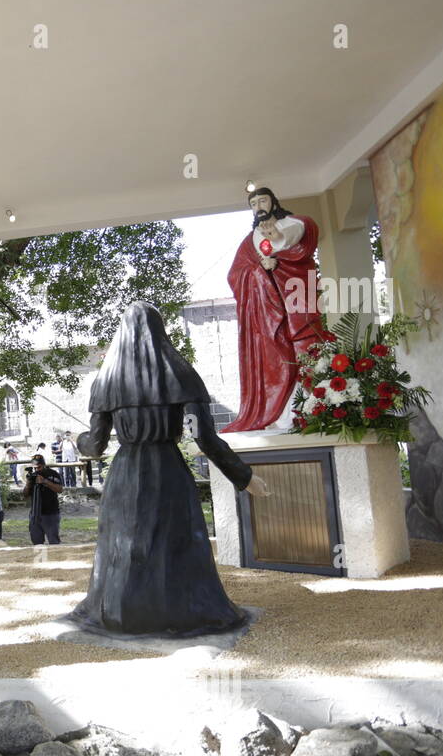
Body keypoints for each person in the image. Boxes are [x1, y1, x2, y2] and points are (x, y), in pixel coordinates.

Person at [70, 301, 271, 636]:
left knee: (125, 545)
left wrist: (80, 440)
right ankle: (178, 612)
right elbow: (205, 438)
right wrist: (245, 476)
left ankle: (123, 613)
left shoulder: (105, 381)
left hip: (125, 474)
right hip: (168, 471)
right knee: (175, 545)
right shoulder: (181, 373)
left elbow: (95, 446)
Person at [225, 187, 325, 432]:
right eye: (254, 203)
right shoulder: (250, 242)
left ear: (273, 202)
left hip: (296, 302)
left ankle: (311, 411)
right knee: (277, 359)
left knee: (305, 353)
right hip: (268, 314)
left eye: (263, 200)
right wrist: (260, 271)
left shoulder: (292, 223)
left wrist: (278, 257)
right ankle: (279, 416)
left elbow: (301, 239)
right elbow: (235, 274)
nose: (259, 206)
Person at [22, 454, 63, 545]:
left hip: (50, 514)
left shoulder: (53, 474)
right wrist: (28, 484)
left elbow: (60, 489)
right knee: (37, 542)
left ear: (44, 465)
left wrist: (45, 481)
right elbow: (25, 495)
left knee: (54, 541)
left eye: (39, 467)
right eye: (34, 468)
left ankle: (56, 559)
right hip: (35, 515)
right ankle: (41, 559)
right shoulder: (32, 476)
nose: (37, 470)